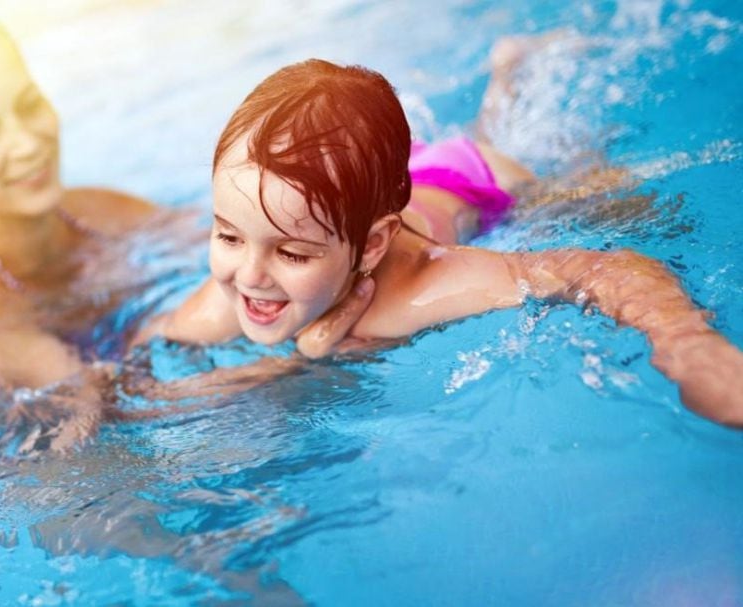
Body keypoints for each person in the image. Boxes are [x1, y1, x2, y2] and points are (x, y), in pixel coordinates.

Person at [136, 58, 743, 427]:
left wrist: (689, 345)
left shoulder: (427, 283)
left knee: (624, 204)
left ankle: (511, 76)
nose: (249, 276)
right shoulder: (233, 289)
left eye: (291, 254)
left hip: (475, 180)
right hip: (360, 194)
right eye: (227, 235)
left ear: (374, 246)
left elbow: (606, 269)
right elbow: (142, 356)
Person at [0, 5, 362, 391]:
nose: (26, 143)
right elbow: (96, 410)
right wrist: (287, 363)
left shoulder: (96, 212)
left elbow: (238, 244)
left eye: (28, 105)